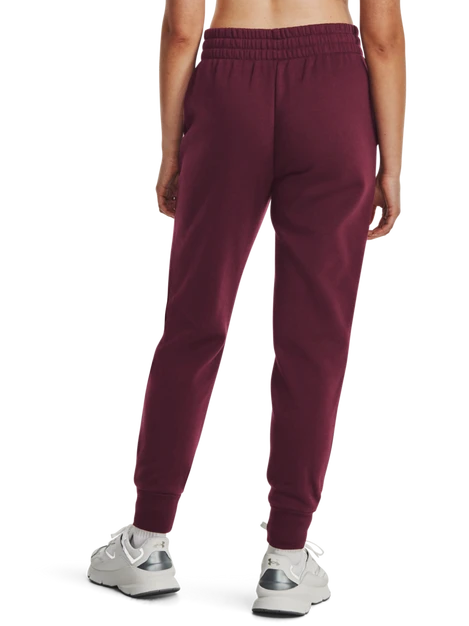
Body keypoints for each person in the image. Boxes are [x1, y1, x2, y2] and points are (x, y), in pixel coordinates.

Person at [87, 0, 406, 614]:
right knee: (315, 337)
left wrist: (173, 151)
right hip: (333, 91)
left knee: (193, 321)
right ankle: (286, 560)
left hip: (229, 87)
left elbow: (183, 30)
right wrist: (391, 167)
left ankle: (149, 543)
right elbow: (385, 37)